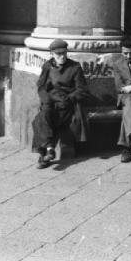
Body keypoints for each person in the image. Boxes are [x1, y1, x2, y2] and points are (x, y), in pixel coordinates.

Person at [31, 39, 89, 169]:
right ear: (51, 54)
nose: (62, 57)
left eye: (64, 53)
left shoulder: (75, 67)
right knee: (44, 114)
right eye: (58, 54)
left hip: (66, 103)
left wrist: (69, 99)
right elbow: (40, 86)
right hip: (50, 101)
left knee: (40, 120)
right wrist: (45, 98)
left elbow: (82, 90)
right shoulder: (47, 66)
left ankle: (45, 154)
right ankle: (50, 150)